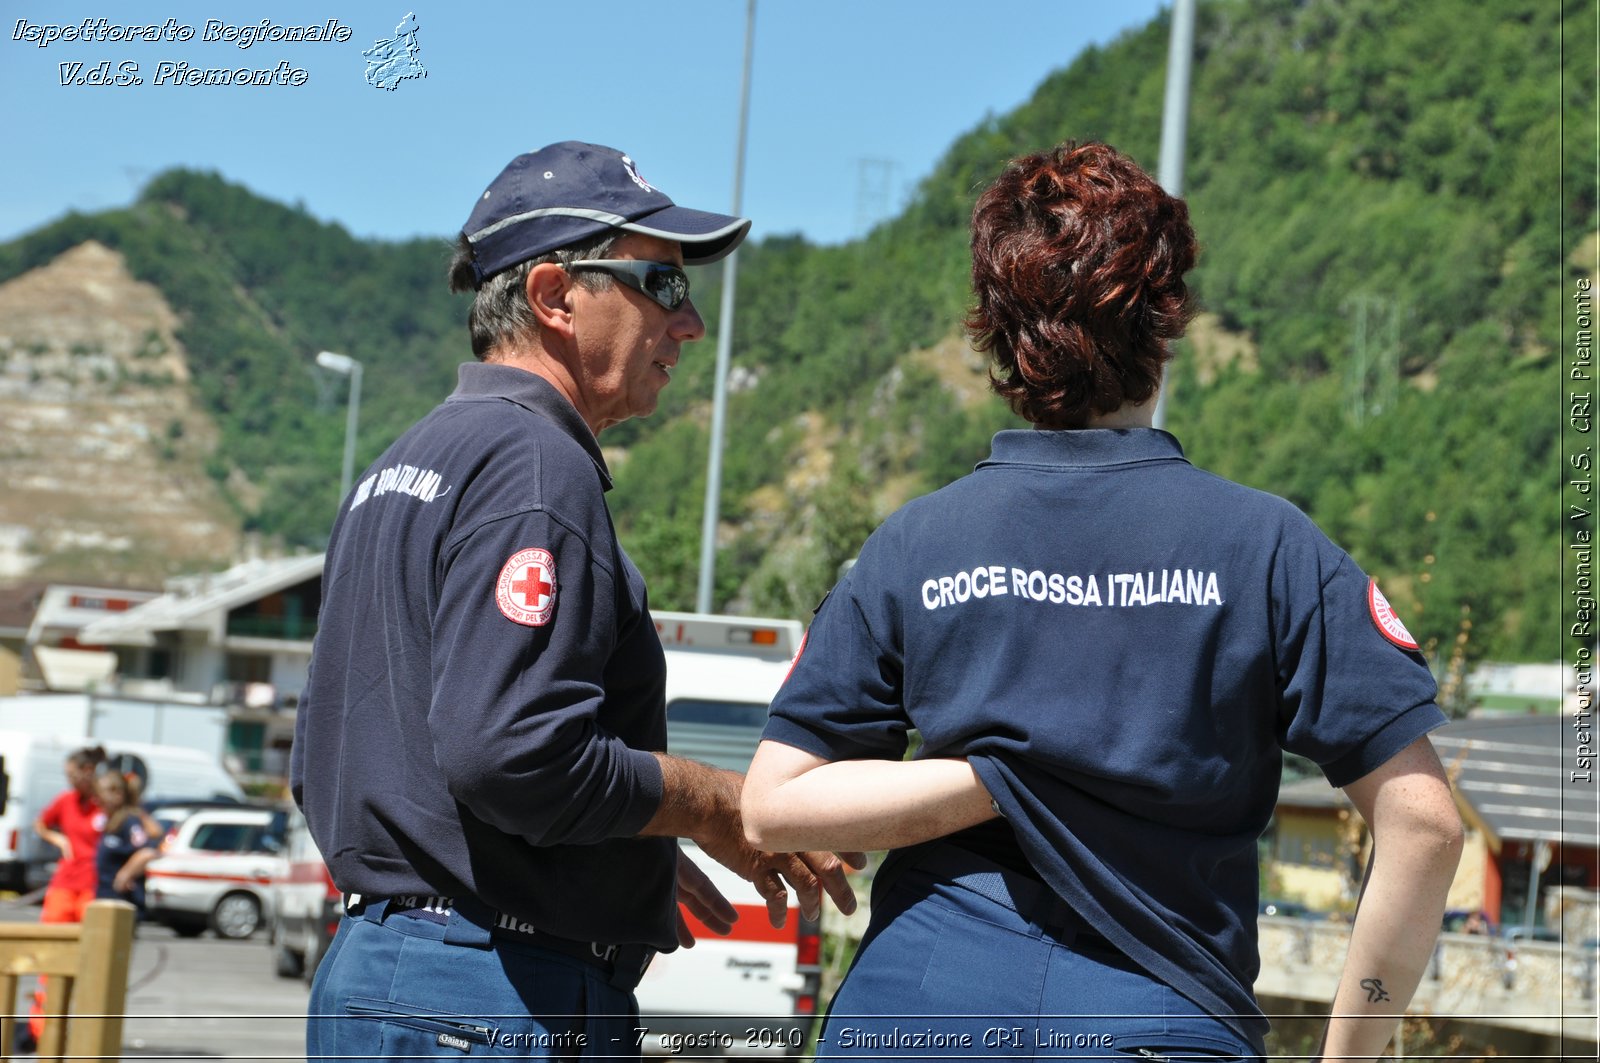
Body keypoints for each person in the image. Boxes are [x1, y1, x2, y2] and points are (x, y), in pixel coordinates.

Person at [742, 141, 1464, 1062]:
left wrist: (994, 778)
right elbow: (1426, 823)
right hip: (1159, 1017)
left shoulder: (917, 543)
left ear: (999, 334)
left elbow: (774, 804)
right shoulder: (1268, 547)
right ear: (1163, 323)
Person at [292, 141, 859, 1060]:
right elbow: (512, 755)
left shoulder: (405, 462)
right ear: (555, 295)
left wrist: (603, 843)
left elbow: (339, 758)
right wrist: (715, 804)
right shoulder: (534, 466)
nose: (692, 326)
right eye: (663, 286)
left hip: (391, 977)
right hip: (489, 994)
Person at [26, 744, 108, 1049]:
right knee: (50, 958)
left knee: (88, 961)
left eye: (71, 774)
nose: (69, 780)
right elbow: (41, 822)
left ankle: (83, 1031)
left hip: (92, 888)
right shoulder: (65, 801)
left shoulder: (104, 802)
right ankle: (40, 1030)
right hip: (63, 886)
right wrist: (57, 838)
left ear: (87, 772)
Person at [94, 768, 162, 911]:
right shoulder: (112, 821)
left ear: (118, 795)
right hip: (106, 900)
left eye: (101, 792)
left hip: (121, 903)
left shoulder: (129, 821)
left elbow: (147, 851)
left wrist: (126, 874)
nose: (97, 798)